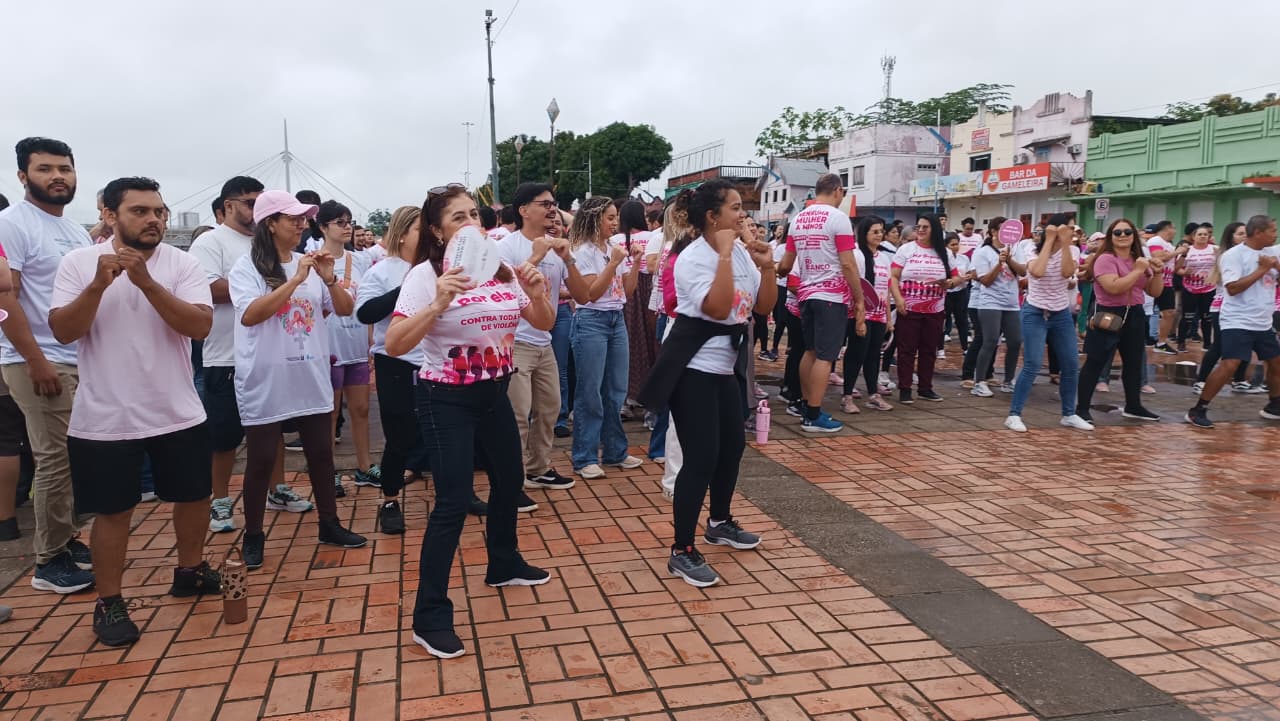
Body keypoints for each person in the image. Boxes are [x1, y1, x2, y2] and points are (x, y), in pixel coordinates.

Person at [385, 183, 555, 659]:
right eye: (458, 217)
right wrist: (437, 303)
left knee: (510, 480)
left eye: (474, 215)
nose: (471, 224)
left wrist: (537, 294)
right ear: (438, 231)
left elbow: (543, 322)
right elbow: (395, 344)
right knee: (453, 503)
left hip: (495, 391)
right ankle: (430, 616)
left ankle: (503, 562)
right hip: (446, 399)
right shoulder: (426, 275)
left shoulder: (502, 271)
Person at [49, 177, 221, 646]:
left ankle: (190, 569)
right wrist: (96, 286)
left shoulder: (183, 263)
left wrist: (146, 282)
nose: (153, 220)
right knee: (113, 512)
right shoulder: (78, 262)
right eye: (140, 211)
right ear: (109, 215)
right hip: (106, 416)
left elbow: (199, 326)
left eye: (159, 211)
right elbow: (63, 331)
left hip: (177, 409)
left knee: (194, 497)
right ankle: (110, 601)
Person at [638, 180, 775, 587]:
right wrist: (727, 256)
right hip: (692, 367)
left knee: (732, 447)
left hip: (725, 367)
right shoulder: (692, 258)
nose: (742, 214)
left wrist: (767, 266)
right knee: (700, 458)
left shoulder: (742, 255)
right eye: (734, 207)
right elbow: (717, 307)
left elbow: (764, 306)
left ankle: (719, 522)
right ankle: (681, 550)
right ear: (713, 217)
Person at [229, 191, 366, 569]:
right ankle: (253, 534)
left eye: (304, 218)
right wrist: (295, 280)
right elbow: (251, 315)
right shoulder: (247, 267)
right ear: (270, 224)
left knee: (321, 454)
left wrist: (329, 279)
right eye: (293, 219)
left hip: (310, 373)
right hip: (266, 377)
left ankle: (329, 523)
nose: (302, 224)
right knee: (260, 458)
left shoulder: (313, 263)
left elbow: (344, 309)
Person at [0, 137, 95, 593]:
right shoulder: (11, 224)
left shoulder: (74, 230)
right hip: (35, 359)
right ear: (23, 176)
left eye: (64, 168)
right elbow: (6, 298)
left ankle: (67, 536)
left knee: (75, 454)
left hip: (75, 358)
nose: (58, 176)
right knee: (53, 458)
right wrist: (35, 360)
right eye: (45, 169)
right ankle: (48, 561)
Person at [189, 176, 306, 532]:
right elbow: (207, 288)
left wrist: (271, 288)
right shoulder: (211, 242)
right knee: (224, 436)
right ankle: (220, 500)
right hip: (226, 355)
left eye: (261, 203)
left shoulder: (266, 242)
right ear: (227, 206)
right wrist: (262, 287)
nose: (257, 210)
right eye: (249, 203)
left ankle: (277, 488)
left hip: (271, 353)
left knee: (275, 426)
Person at [497, 183, 589, 501]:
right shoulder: (506, 247)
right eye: (545, 204)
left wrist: (569, 259)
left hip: (543, 339)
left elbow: (583, 296)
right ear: (524, 210)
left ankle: (538, 468)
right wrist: (536, 257)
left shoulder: (558, 247)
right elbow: (504, 290)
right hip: (515, 340)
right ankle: (512, 482)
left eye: (554, 203)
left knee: (550, 408)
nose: (552, 209)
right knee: (518, 414)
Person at [778, 173, 864, 432]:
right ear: (837, 191)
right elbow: (848, 263)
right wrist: (859, 299)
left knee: (811, 351)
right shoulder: (838, 218)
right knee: (826, 357)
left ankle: (807, 405)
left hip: (805, 294)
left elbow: (786, 265)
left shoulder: (798, 219)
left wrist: (771, 268)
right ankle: (813, 415)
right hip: (831, 295)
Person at [357, 206, 423, 534]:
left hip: (435, 361)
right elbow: (365, 313)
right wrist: (405, 288)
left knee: (444, 431)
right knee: (399, 435)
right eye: (419, 229)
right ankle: (390, 500)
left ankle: (459, 493)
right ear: (401, 234)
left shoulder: (437, 267)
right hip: (394, 361)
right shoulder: (381, 271)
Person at [569, 196, 645, 479]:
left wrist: (635, 263)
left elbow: (628, 289)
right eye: (610, 218)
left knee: (616, 389)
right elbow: (591, 293)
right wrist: (613, 264)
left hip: (616, 318)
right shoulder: (583, 251)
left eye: (616, 218)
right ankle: (585, 456)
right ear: (594, 219)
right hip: (592, 320)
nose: (615, 223)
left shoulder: (612, 248)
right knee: (590, 391)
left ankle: (615, 451)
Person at [1186, 216, 1280, 428]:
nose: (1276, 234)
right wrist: (1262, 270)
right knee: (1231, 363)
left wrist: (1275, 266)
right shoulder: (1233, 255)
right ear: (1258, 233)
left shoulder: (1272, 252)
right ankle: (1198, 409)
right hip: (1237, 320)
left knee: (1276, 362)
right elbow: (1233, 288)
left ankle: (1274, 406)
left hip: (1263, 321)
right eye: (1272, 230)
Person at [1005, 215, 1093, 432]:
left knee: (1071, 364)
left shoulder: (1072, 250)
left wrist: (1065, 244)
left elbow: (1067, 273)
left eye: (1073, 228)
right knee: (1032, 364)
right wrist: (1050, 239)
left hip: (1061, 313)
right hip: (1035, 311)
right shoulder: (1031, 248)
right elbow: (1036, 272)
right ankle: (1014, 414)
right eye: (1069, 227)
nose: (1072, 231)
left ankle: (1069, 414)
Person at [315, 201, 378, 489]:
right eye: (339, 222)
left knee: (361, 408)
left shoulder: (360, 260)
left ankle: (365, 466)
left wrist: (370, 340)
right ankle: (328, 471)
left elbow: (367, 301)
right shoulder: (312, 261)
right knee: (329, 413)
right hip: (327, 346)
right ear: (323, 227)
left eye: (349, 222)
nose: (347, 227)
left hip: (356, 343)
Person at [1074, 219, 1164, 423]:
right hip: (1109, 314)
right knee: (1095, 361)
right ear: (1110, 236)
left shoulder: (1138, 259)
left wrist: (1158, 273)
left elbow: (1154, 291)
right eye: (1117, 232)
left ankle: (1134, 405)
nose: (1123, 235)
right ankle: (1082, 408)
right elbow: (1113, 287)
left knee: (1134, 362)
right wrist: (1138, 271)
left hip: (1135, 313)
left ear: (1134, 236)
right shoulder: (1105, 259)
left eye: (1127, 232)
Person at [889, 214, 957, 404]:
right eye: (918, 227)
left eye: (925, 227)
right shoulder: (906, 249)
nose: (920, 230)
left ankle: (925, 388)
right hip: (909, 307)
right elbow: (893, 276)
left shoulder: (945, 253)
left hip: (935, 308)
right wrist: (898, 299)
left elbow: (956, 277)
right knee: (906, 349)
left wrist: (949, 283)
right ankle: (905, 388)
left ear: (934, 229)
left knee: (929, 349)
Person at [967, 220, 1025, 398]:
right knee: (990, 340)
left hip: (1011, 303)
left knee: (1015, 341)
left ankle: (1008, 380)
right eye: (1002, 229)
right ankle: (979, 382)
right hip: (990, 302)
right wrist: (999, 264)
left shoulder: (1016, 249)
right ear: (993, 232)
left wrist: (1009, 259)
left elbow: (1023, 271)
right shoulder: (982, 252)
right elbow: (985, 280)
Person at [841, 216, 893, 412]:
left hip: (879, 315)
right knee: (856, 353)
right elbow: (854, 285)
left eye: (881, 231)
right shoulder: (856, 255)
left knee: (873, 354)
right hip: (859, 313)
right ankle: (847, 396)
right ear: (864, 233)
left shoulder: (884, 258)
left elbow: (886, 290)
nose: (879, 235)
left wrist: (888, 318)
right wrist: (859, 317)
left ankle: (873, 394)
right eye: (875, 232)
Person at [1194, 223, 1251, 392]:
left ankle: (1239, 380)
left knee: (1246, 343)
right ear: (1231, 237)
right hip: (1223, 307)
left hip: (1244, 307)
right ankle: (1201, 381)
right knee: (1219, 345)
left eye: (1246, 233)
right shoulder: (1227, 256)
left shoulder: (1248, 254)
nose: (1245, 236)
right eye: (1240, 233)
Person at [614, 201, 659, 415]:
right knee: (652, 343)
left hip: (626, 291)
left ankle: (625, 398)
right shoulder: (653, 237)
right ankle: (649, 399)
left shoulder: (615, 240)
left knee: (628, 344)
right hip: (650, 290)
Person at [550, 209, 575, 438]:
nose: (554, 226)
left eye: (558, 223)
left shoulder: (567, 252)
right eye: (550, 222)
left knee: (561, 368)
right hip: (533, 314)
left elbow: (576, 289)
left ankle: (560, 417)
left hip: (562, 313)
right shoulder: (533, 250)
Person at [1175, 224, 1217, 352]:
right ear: (1193, 237)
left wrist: (1215, 275)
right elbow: (1176, 269)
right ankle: (1181, 342)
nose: (1203, 236)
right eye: (1200, 234)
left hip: (1209, 289)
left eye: (1205, 234)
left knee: (1207, 317)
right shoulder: (1188, 250)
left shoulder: (1215, 249)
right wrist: (1184, 272)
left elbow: (1221, 265)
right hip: (1190, 289)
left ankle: (1207, 343)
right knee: (1187, 316)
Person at [1146, 221, 1182, 354]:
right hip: (1153, 281)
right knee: (1147, 312)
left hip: (1167, 282)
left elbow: (1176, 267)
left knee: (1169, 313)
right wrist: (1177, 251)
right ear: (1168, 229)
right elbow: (1159, 257)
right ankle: (1147, 338)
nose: (1175, 231)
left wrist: (1183, 255)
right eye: (1174, 228)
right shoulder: (1155, 240)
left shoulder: (1169, 245)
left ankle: (1161, 342)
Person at [940, 232, 974, 359]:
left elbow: (970, 273)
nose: (955, 247)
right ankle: (940, 348)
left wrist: (967, 277)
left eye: (957, 244)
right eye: (952, 245)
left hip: (961, 292)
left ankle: (965, 347)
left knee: (962, 320)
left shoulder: (964, 258)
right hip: (947, 293)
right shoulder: (942, 260)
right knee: (943, 321)